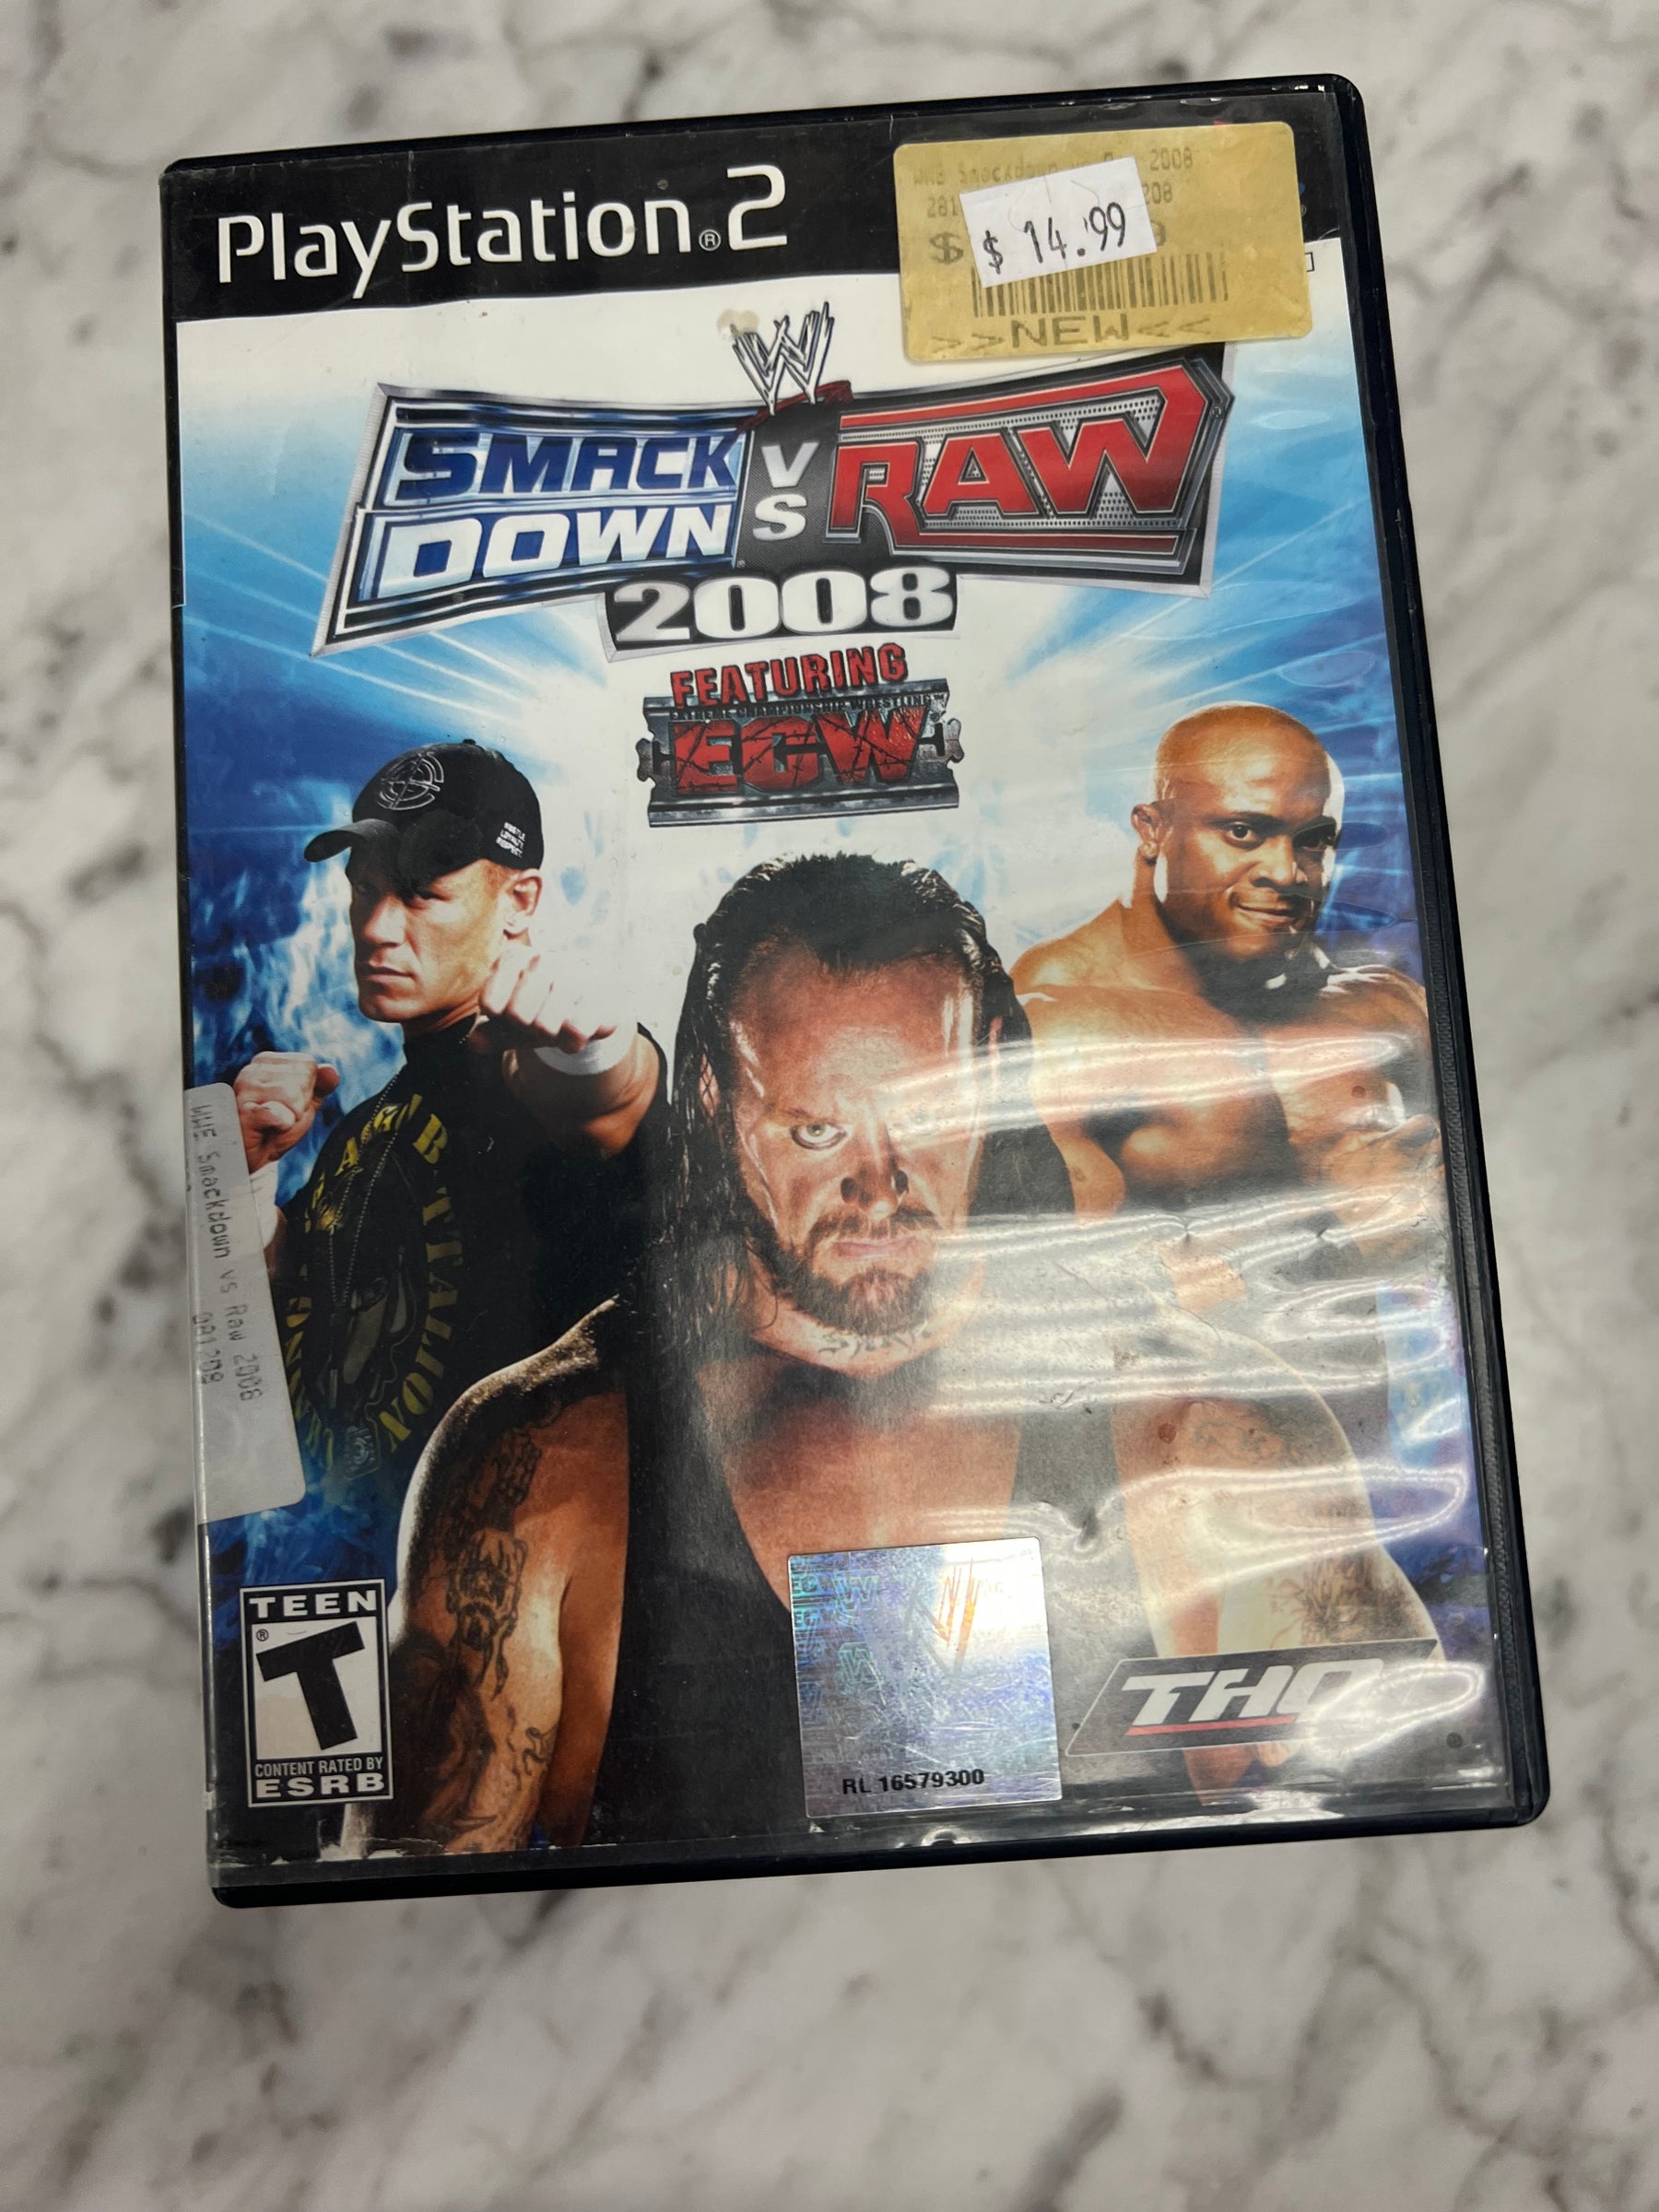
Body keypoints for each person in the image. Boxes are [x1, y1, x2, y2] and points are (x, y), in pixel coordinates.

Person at [359, 853, 1435, 1857]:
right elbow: (418, 1928)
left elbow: (1402, 1867)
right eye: (815, 1131)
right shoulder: (544, 1463)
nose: (878, 1185)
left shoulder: (1207, 1435)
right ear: (715, 1102)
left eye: (924, 1116)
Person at [229, 739, 661, 1586]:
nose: (376, 928)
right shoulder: (366, 1128)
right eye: (364, 889)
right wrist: (241, 1183)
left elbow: (610, 1106)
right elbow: (298, 1309)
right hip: (352, 1577)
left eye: (422, 893)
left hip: (506, 1599)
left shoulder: (530, 1073)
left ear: (518, 902)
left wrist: (596, 1050)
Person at [1010, 703, 1441, 1258]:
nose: (1285, 873)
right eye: (1243, 832)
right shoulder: (1055, 1019)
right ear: (1153, 830)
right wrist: (1345, 1232)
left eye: (1314, 841)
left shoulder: (1383, 1002)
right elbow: (1045, 1280)